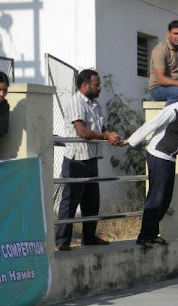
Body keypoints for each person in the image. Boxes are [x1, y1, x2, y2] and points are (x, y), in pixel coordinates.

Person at [125, 84, 178, 249]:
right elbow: (151, 125)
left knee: (165, 199)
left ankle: (152, 233)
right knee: (156, 198)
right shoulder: (172, 111)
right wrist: (131, 141)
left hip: (169, 158)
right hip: (158, 155)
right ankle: (144, 236)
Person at [55, 69, 121, 251]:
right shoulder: (76, 102)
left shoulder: (95, 104)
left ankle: (89, 237)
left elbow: (102, 129)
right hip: (76, 159)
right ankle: (62, 240)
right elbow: (82, 132)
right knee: (70, 201)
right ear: (84, 85)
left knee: (91, 201)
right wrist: (105, 136)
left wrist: (111, 135)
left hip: (91, 158)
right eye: (96, 84)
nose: (99, 88)